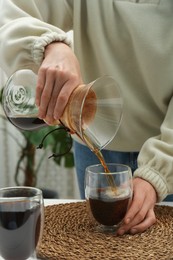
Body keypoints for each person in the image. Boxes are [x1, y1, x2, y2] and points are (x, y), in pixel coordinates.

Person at [0, 0, 173, 236]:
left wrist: (158, 173)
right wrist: (52, 46)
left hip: (168, 149)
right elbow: (10, 10)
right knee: (95, 244)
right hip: (90, 136)